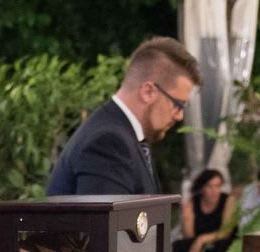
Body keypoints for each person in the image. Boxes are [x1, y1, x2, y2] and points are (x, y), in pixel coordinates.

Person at [47, 36, 201, 197]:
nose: (180, 116)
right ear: (148, 92)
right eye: (178, 104)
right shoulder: (108, 142)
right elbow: (107, 222)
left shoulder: (125, 136)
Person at [171, 169, 234, 252]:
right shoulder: (193, 202)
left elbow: (226, 232)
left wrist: (202, 239)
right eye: (209, 186)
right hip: (199, 243)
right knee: (178, 247)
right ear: (202, 188)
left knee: (223, 249)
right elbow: (189, 236)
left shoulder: (228, 200)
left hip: (220, 240)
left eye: (218, 186)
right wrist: (187, 218)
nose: (214, 191)